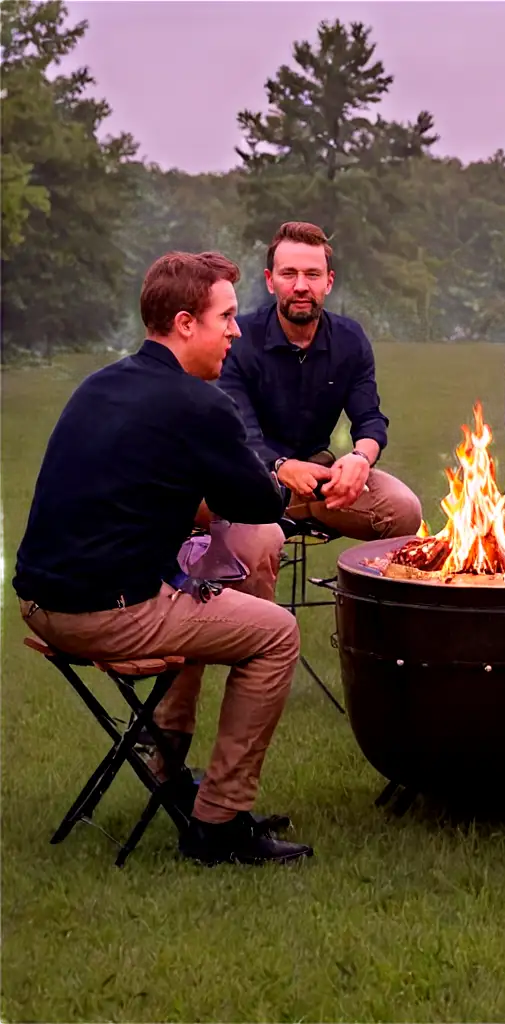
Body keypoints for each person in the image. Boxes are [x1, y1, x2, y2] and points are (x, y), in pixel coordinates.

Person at [13, 251, 313, 867]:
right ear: (184, 323)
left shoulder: (103, 383)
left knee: (203, 585)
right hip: (107, 612)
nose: (236, 329)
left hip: (40, 602)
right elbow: (257, 501)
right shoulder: (197, 404)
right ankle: (219, 824)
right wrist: (296, 488)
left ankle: (170, 769)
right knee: (277, 633)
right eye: (225, 317)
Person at [217, 221, 422, 545]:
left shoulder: (349, 340)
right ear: (271, 282)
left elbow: (370, 420)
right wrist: (282, 466)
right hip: (252, 477)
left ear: (328, 282)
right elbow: (239, 434)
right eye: (289, 274)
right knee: (253, 539)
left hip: (319, 478)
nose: (301, 286)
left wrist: (359, 459)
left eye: (312, 275)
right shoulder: (240, 340)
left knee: (404, 510)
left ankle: (367, 594)